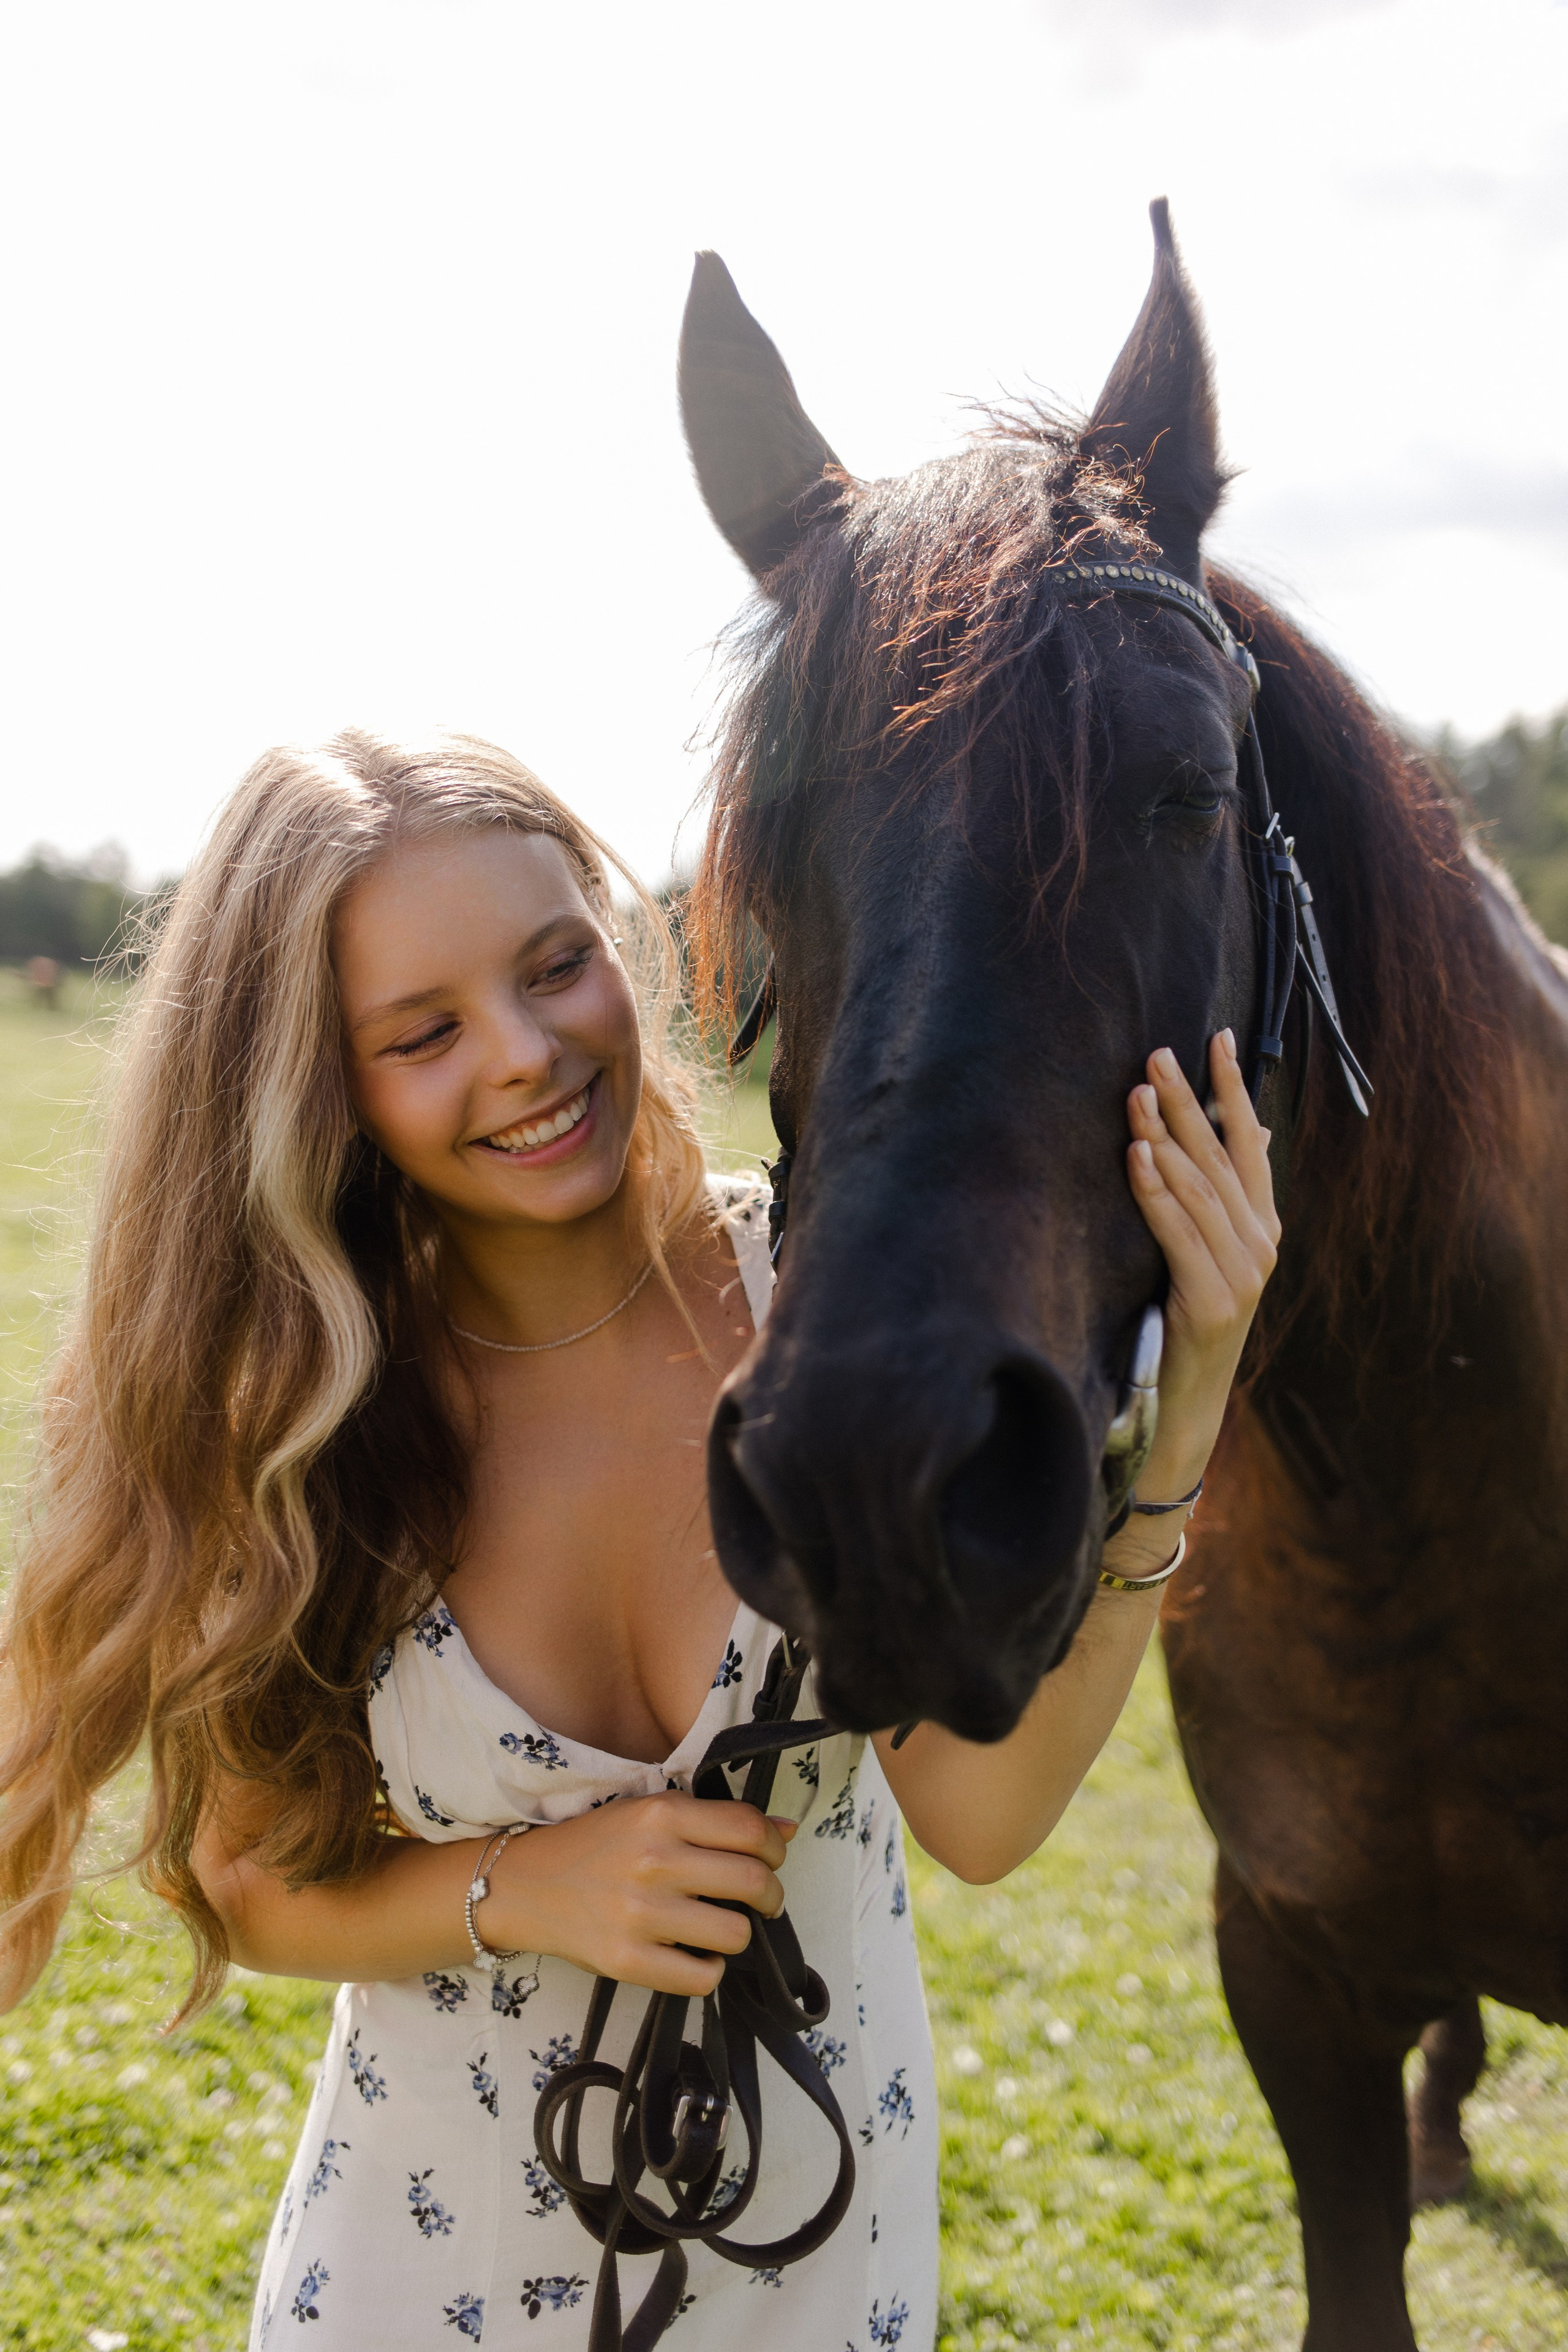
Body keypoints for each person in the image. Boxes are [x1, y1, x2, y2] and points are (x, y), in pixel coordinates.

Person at [0, 733, 1279, 2350]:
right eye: (425, 1034)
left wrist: (1195, 1394)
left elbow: (983, 1814)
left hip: (811, 2275)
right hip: (419, 2278)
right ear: (326, 1087)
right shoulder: (318, 1419)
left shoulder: (818, 1317)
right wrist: (520, 1888)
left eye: (556, 966)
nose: (528, 1053)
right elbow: (244, 1882)